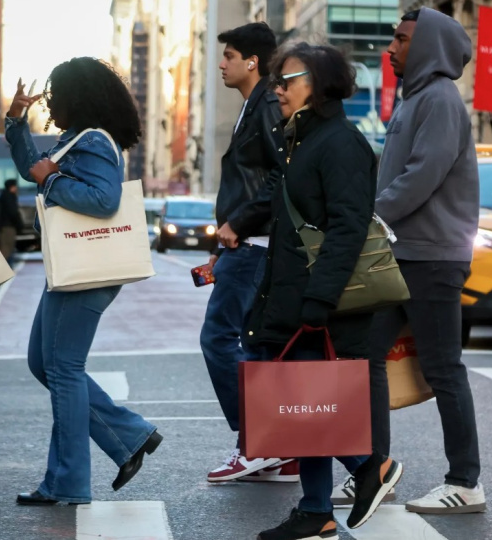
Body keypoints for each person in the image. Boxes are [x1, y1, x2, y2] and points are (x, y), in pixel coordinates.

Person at [246, 43, 401, 540]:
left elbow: (349, 228)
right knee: (305, 403)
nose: (277, 89)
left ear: (314, 81)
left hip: (325, 300)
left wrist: (321, 299)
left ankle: (368, 466)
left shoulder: (341, 143)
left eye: (285, 80)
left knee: (310, 404)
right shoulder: (302, 140)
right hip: (299, 295)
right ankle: (316, 510)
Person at [4, 57, 161, 506]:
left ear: (79, 97)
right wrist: (16, 123)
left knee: (63, 369)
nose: (50, 101)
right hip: (72, 267)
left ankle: (69, 481)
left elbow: (103, 199)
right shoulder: (74, 139)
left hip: (86, 271)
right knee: (45, 363)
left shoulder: (92, 142)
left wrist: (51, 180)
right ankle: (128, 435)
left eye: (56, 93)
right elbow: (31, 168)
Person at [364, 8, 485, 515]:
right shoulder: (414, 99)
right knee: (364, 356)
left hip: (432, 257)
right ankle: (374, 471)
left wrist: (368, 217)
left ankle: (466, 481)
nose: (390, 48)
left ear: (428, 45)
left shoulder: (438, 99)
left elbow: (421, 175)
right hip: (404, 253)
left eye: (401, 40)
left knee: (442, 368)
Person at [199, 22, 294, 484]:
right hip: (247, 243)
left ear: (252, 61)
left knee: (218, 339)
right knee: (255, 347)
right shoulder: (251, 107)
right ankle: (280, 449)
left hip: (256, 244)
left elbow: (282, 177)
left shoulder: (267, 107)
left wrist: (239, 223)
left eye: (230, 55)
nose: (222, 63)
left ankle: (264, 440)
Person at [0, 178, 22, 264]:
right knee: (7, 247)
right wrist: (19, 224)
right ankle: (4, 268)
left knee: (7, 247)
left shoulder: (4, 195)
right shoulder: (9, 197)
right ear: (12, 187)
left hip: (5, 225)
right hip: (8, 226)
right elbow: (13, 212)